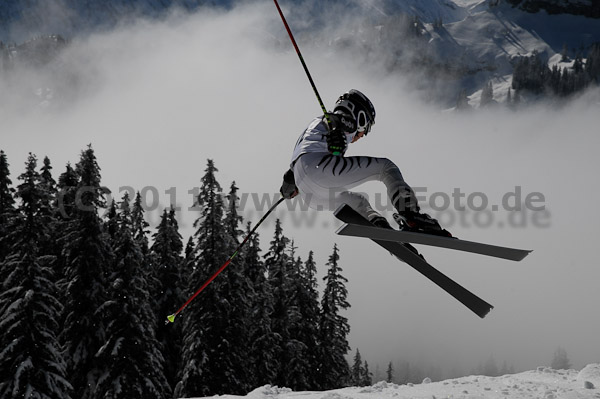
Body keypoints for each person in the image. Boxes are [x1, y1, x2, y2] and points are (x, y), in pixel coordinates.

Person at [280, 89, 448, 235]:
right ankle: (412, 215)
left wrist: (289, 189)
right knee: (386, 167)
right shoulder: (339, 122)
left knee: (356, 201)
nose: (362, 135)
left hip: (311, 195)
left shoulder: (313, 130)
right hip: (321, 169)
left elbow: (290, 176)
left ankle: (379, 225)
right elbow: (335, 120)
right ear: (360, 117)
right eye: (366, 128)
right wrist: (337, 131)